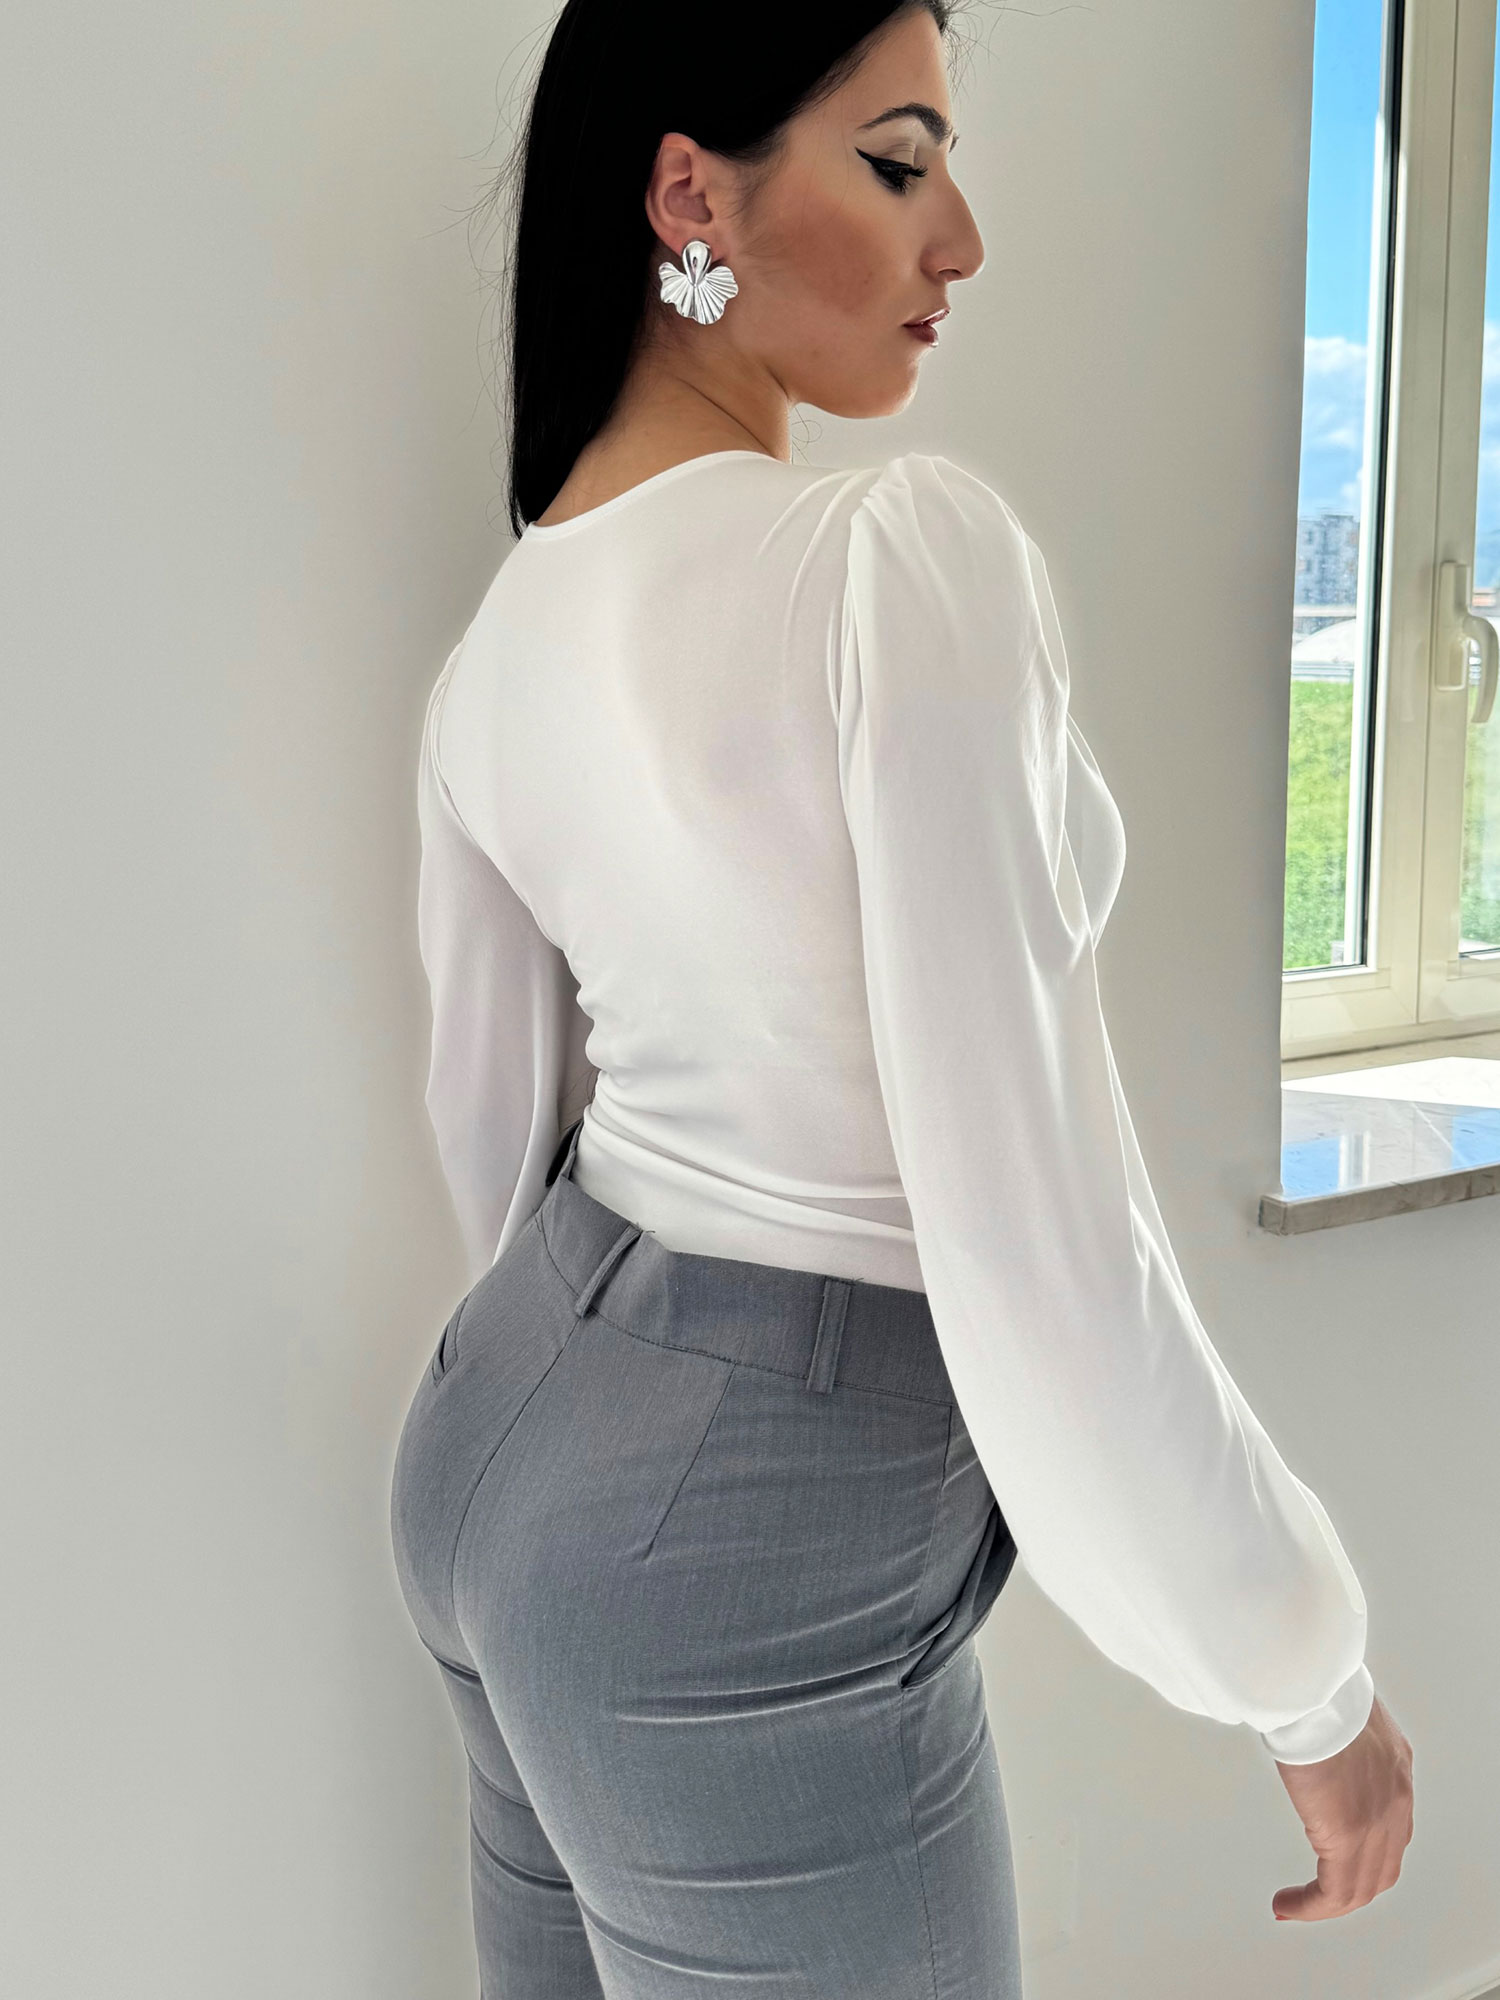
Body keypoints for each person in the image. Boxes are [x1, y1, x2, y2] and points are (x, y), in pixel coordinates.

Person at [389, 2, 1415, 1992]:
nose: (963, 238)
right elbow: (1036, 1222)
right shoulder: (894, 563)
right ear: (690, 194)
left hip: (492, 1440)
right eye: (897, 160)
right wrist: (1304, 1674)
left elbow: (490, 1125)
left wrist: (588, 1454)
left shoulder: (507, 635)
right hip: (737, 1553)